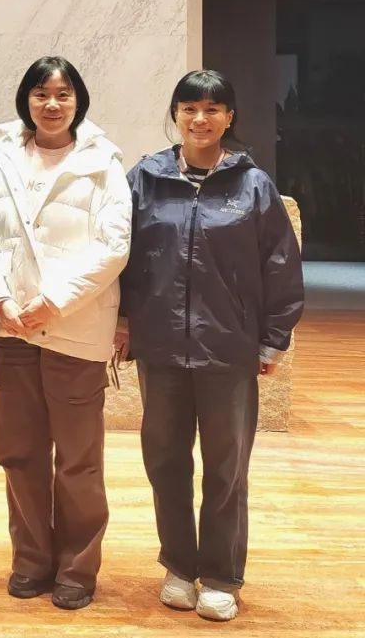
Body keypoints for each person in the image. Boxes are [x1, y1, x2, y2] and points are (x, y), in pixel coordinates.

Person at [116, 69, 304, 622]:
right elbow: (120, 257)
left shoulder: (253, 185)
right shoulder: (145, 179)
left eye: (212, 109)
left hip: (229, 347)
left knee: (226, 468)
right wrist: (122, 322)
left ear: (229, 117)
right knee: (165, 461)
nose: (200, 119)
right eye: (189, 108)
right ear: (176, 115)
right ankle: (178, 565)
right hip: (160, 347)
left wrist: (273, 339)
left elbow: (281, 265)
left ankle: (221, 575)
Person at [0, 56, 131, 610]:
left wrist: (54, 302)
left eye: (63, 94)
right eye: (41, 93)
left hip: (75, 327)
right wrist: (0, 298)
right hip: (13, 327)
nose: (52, 104)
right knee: (19, 453)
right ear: (26, 100)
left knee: (78, 459)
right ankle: (31, 560)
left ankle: (77, 567)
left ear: (78, 101)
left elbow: (114, 246)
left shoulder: (103, 162)